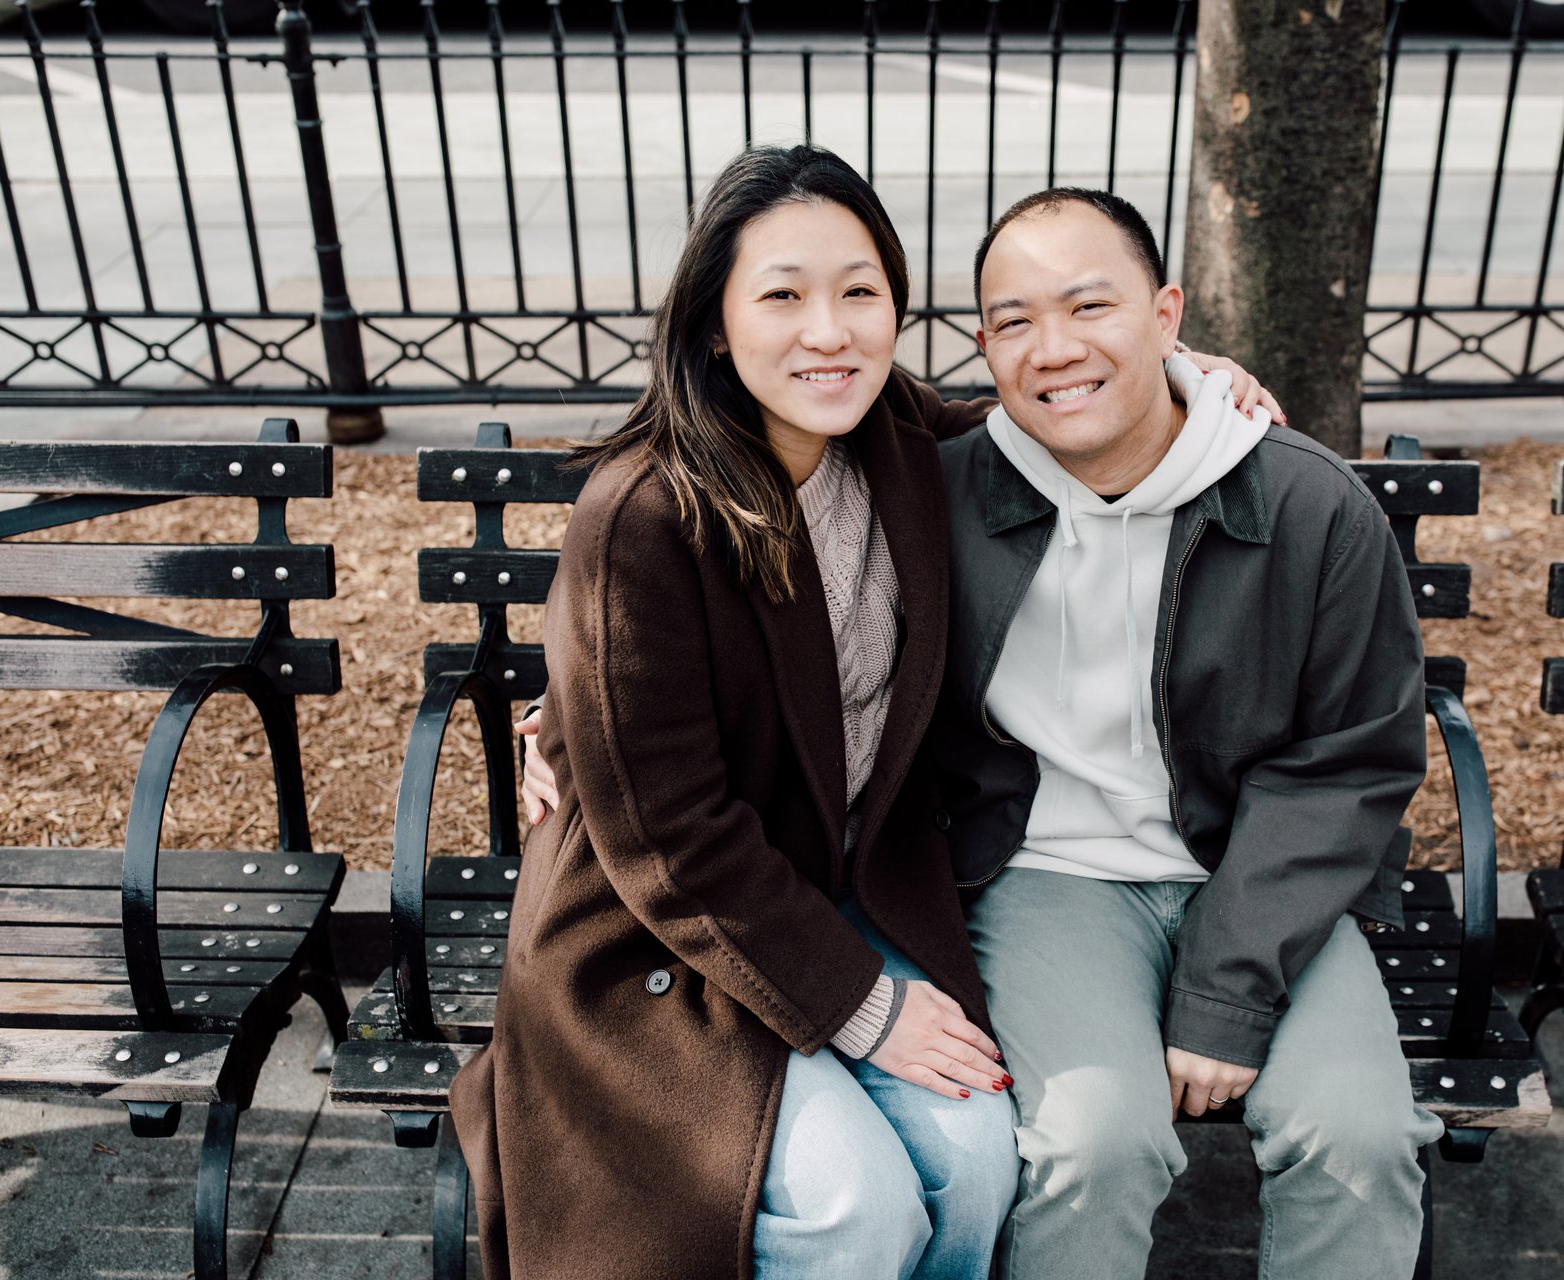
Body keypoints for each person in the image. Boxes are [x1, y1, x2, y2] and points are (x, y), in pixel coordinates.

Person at [461, 145, 1273, 1280]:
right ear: (714, 324)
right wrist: (865, 1005)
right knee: (859, 1210)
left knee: (977, 1164)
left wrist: (1184, 374)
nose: (828, 332)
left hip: (852, 885)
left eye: (859, 291)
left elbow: (1052, 405)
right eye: (782, 296)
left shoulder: (897, 438)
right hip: (664, 927)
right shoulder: (646, 514)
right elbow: (668, 834)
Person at [929, 188, 1445, 1278]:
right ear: (983, 345)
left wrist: (1226, 992)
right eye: (1015, 320)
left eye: (1091, 306)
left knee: (1359, 1137)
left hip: (1260, 871)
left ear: (1166, 316)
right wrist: (580, 697)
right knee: (1092, 1145)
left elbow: (1350, 761)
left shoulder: (1306, 504)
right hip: (1047, 874)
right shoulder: (938, 493)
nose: (1054, 348)